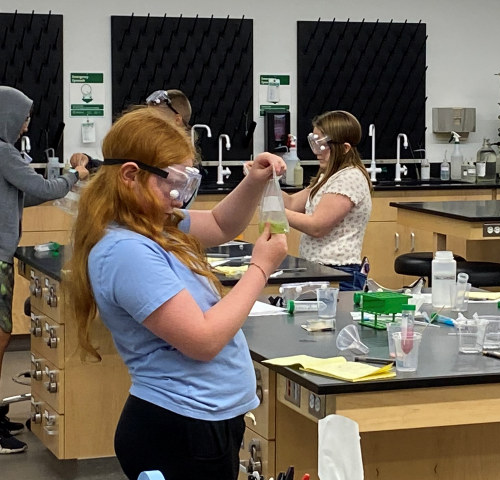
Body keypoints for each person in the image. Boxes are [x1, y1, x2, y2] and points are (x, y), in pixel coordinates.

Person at [65, 107, 287, 479]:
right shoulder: (126, 249)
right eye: (173, 182)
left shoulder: (152, 221)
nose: (180, 196)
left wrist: (254, 181)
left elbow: (220, 223)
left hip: (198, 418)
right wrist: (261, 267)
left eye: (187, 182)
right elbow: (202, 340)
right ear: (130, 175)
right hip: (181, 427)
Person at [0, 86, 89, 455]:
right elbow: (40, 185)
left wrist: (65, 180)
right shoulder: (2, 150)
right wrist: (75, 176)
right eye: (23, 118)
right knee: (0, 337)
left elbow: (27, 192)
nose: (26, 126)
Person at [282, 111, 373, 291]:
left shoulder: (350, 177)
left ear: (345, 148)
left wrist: (274, 213)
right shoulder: (329, 176)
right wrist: (263, 181)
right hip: (321, 271)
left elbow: (317, 227)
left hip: (339, 273)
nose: (317, 152)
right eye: (314, 143)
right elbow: (291, 204)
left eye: (322, 145)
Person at [70, 89, 193, 172]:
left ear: (177, 120)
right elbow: (117, 168)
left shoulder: (183, 162)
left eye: (156, 120)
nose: (149, 125)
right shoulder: (148, 146)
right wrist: (89, 163)